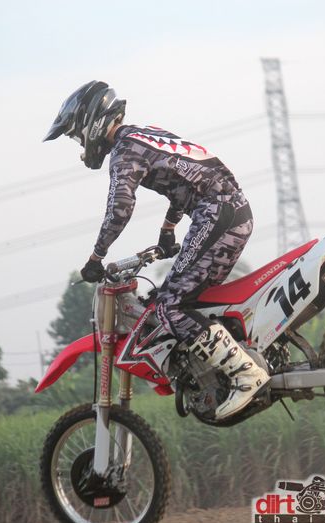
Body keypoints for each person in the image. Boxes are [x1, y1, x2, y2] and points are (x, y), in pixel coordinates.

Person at [43, 81, 269, 419]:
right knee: (178, 297)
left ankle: (245, 374)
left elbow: (120, 209)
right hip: (226, 210)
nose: (80, 143)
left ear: (92, 122)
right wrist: (167, 230)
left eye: (77, 135)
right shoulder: (145, 135)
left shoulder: (124, 152)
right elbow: (184, 182)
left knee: (169, 307)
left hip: (218, 214)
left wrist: (96, 258)